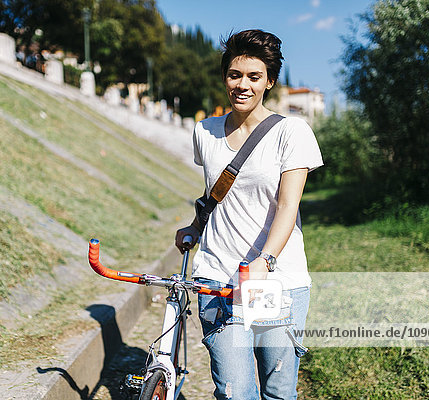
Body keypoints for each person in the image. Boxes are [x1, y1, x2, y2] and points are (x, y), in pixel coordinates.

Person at [175, 29, 323, 400]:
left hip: (274, 280)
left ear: (269, 81)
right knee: (235, 390)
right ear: (225, 77)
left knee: (277, 390)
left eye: (254, 77)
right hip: (217, 277)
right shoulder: (204, 132)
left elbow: (288, 206)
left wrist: (265, 260)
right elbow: (219, 194)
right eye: (235, 75)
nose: (243, 85)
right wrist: (194, 225)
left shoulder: (291, 131)